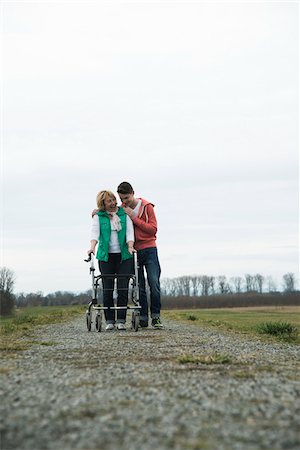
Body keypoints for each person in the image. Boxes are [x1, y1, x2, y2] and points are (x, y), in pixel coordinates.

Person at [116, 182, 163, 329]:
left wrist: (134, 217)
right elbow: (109, 211)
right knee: (139, 286)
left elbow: (153, 229)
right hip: (134, 251)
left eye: (127, 198)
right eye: (122, 199)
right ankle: (143, 317)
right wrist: (97, 211)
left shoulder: (147, 207)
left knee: (153, 283)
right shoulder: (122, 208)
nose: (124, 202)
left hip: (149, 249)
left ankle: (156, 317)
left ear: (133, 193)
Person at [87, 190, 134, 331]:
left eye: (114, 199)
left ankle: (121, 320)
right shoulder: (98, 217)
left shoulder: (124, 214)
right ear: (103, 204)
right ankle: (109, 320)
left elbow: (130, 232)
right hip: (106, 256)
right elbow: (95, 233)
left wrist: (131, 246)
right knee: (107, 288)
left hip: (123, 255)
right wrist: (92, 247)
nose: (113, 203)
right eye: (109, 201)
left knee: (122, 287)